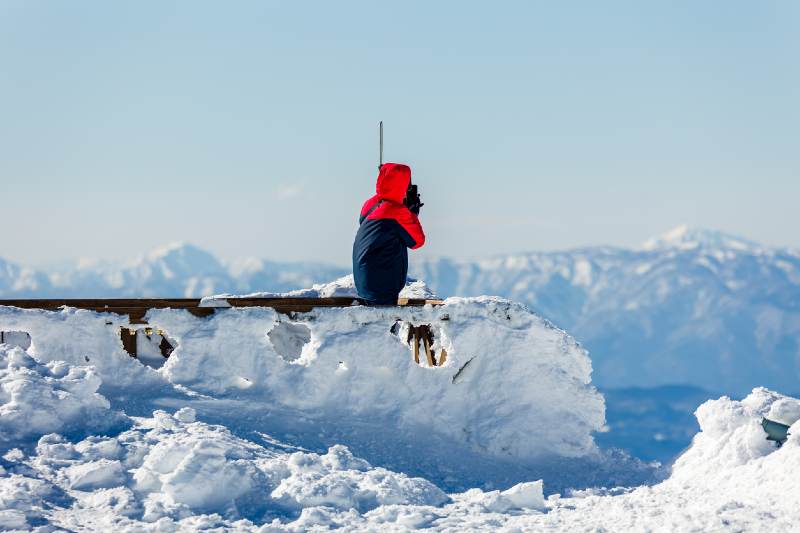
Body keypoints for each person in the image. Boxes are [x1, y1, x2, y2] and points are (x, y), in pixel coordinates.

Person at [352, 163, 425, 305]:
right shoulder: (396, 211)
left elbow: (376, 227)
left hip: (365, 282)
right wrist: (412, 214)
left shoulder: (370, 204)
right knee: (385, 321)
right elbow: (417, 241)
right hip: (382, 286)